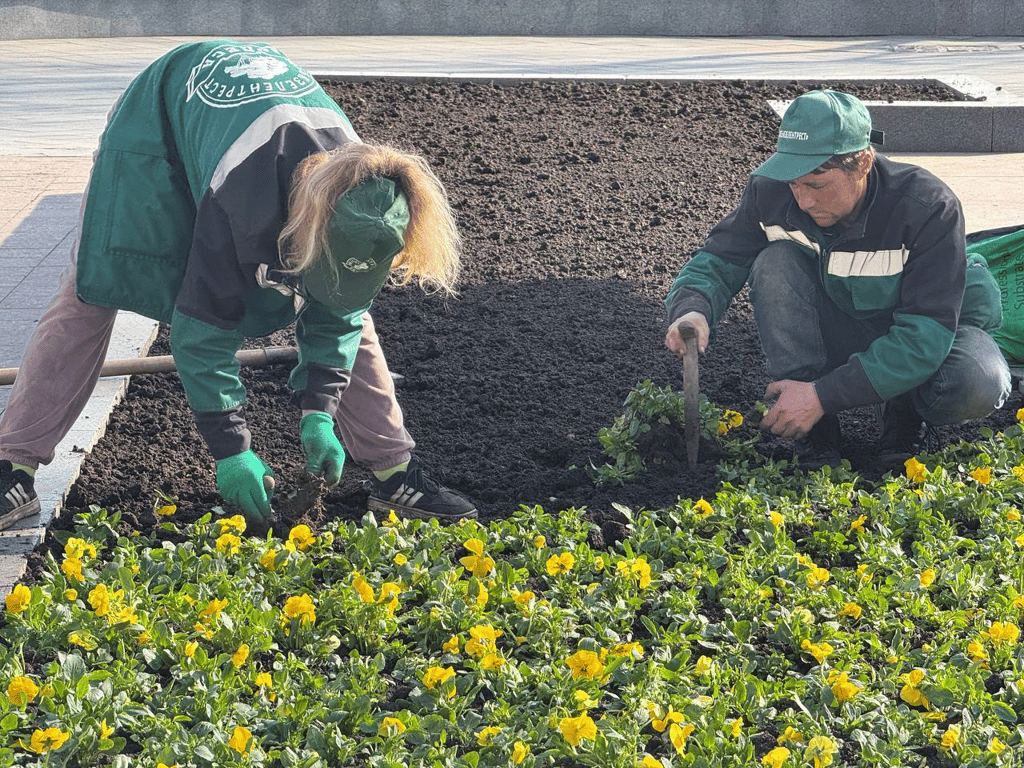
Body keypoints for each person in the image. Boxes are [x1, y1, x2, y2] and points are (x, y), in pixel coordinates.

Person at [0, 39, 476, 530]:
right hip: (155, 127)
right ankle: (12, 464)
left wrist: (319, 410)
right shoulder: (246, 198)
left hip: (244, 147)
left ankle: (394, 469)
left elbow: (342, 310)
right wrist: (230, 447)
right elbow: (203, 327)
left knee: (347, 300)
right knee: (94, 285)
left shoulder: (373, 196)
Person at [664, 89, 1011, 470]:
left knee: (977, 381)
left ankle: (905, 413)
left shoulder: (926, 206)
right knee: (773, 262)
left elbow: (925, 335)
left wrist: (825, 394)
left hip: (932, 335)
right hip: (844, 319)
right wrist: (692, 310)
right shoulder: (771, 191)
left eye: (816, 184)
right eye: (794, 182)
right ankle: (811, 425)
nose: (803, 200)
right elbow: (721, 256)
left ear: (862, 162)